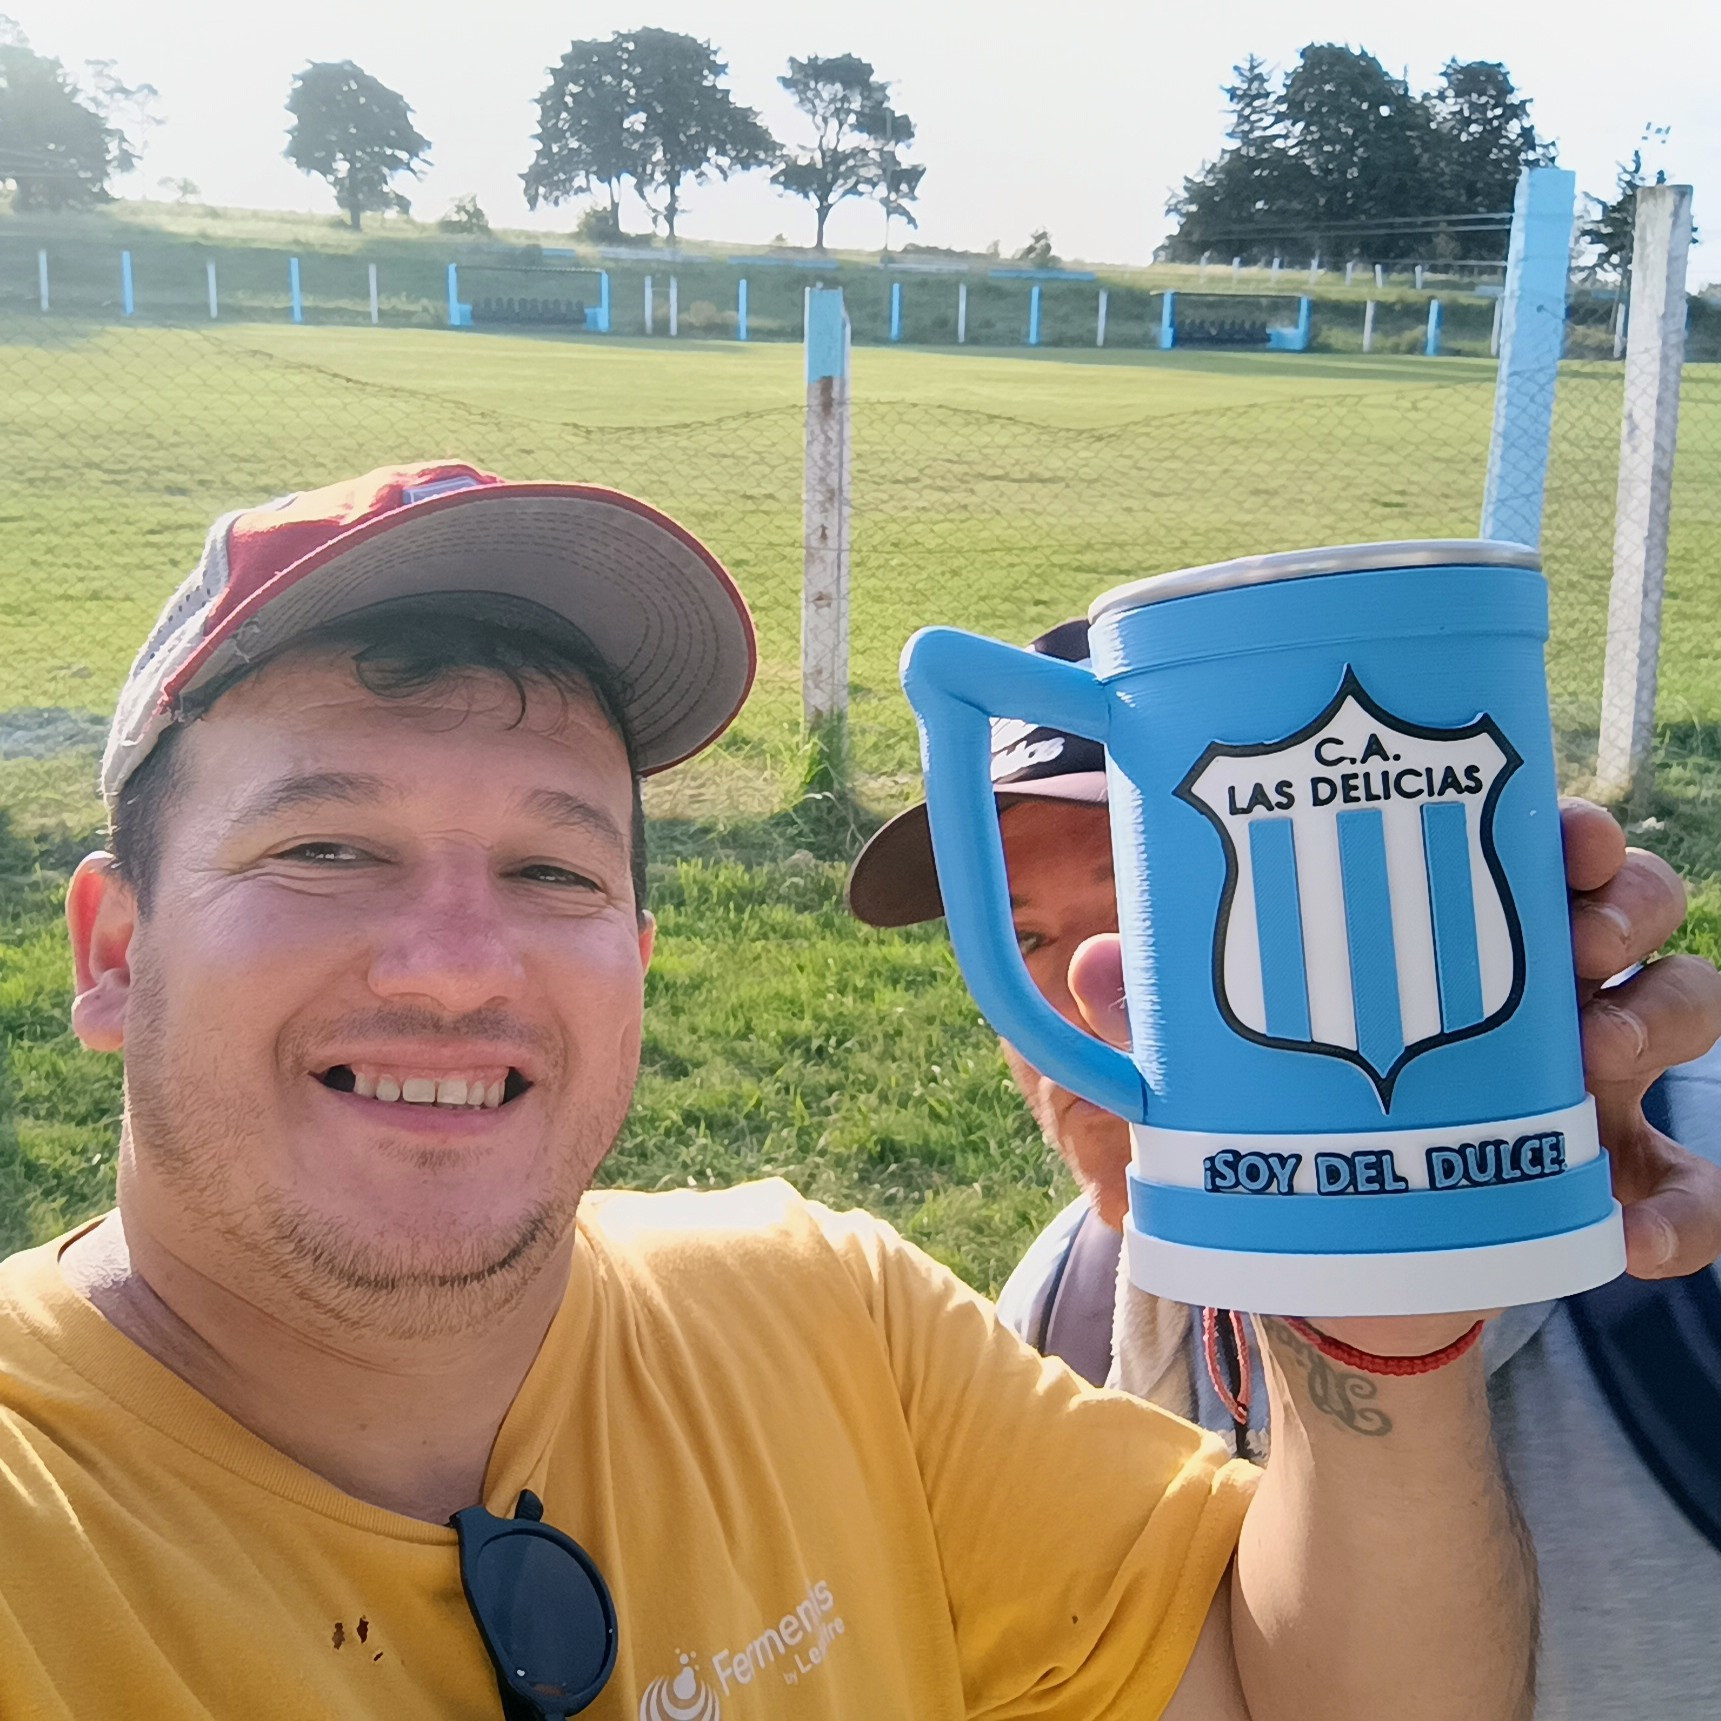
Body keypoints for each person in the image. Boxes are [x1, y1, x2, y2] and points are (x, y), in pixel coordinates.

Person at [2, 463, 1542, 1721]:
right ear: (116, 950)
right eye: (325, 848)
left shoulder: (830, 1319)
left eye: (553, 868)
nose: (458, 968)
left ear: (637, 956)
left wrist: (1368, 1285)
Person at [847, 615, 1721, 1720]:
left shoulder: (1678, 1177)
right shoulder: (1064, 1313)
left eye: (1144, 914)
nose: (1077, 1001)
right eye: (1023, 938)